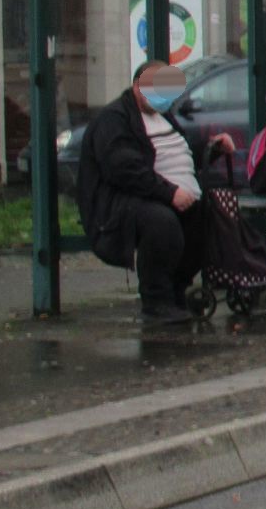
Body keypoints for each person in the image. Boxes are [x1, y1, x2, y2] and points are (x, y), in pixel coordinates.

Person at [76, 59, 234, 323]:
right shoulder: (113, 120)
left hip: (166, 194)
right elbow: (124, 169)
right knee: (162, 223)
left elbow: (180, 155)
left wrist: (213, 149)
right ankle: (156, 300)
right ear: (137, 87)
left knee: (208, 218)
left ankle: (176, 290)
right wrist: (169, 193)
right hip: (123, 203)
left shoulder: (163, 117)